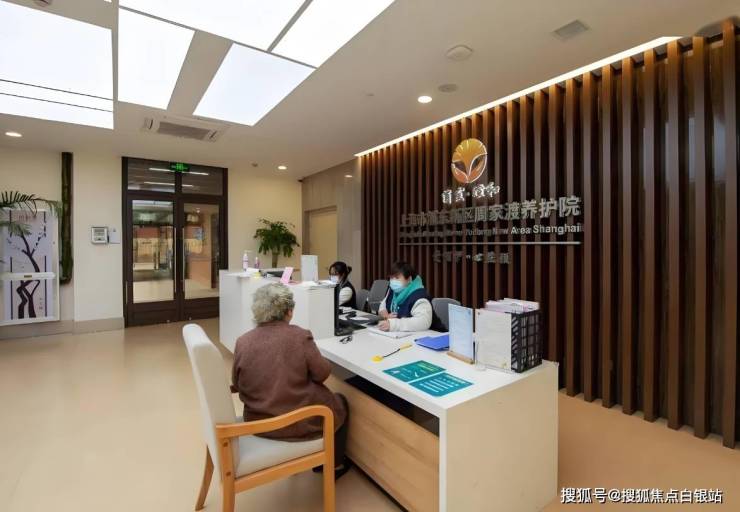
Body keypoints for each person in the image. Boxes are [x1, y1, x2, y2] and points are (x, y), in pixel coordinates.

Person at [231, 282, 351, 478]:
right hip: (294, 424)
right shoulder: (300, 336)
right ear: (289, 311)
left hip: (257, 422)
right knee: (340, 402)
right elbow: (322, 374)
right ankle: (333, 465)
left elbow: (237, 383)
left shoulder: (242, 341)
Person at [378, 261, 434, 332]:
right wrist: (386, 316)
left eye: (397, 278)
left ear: (409, 279)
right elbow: (383, 305)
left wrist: (394, 324)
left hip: (422, 335)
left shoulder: (419, 296)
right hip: (397, 334)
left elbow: (423, 322)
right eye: (391, 278)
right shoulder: (393, 289)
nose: (393, 281)